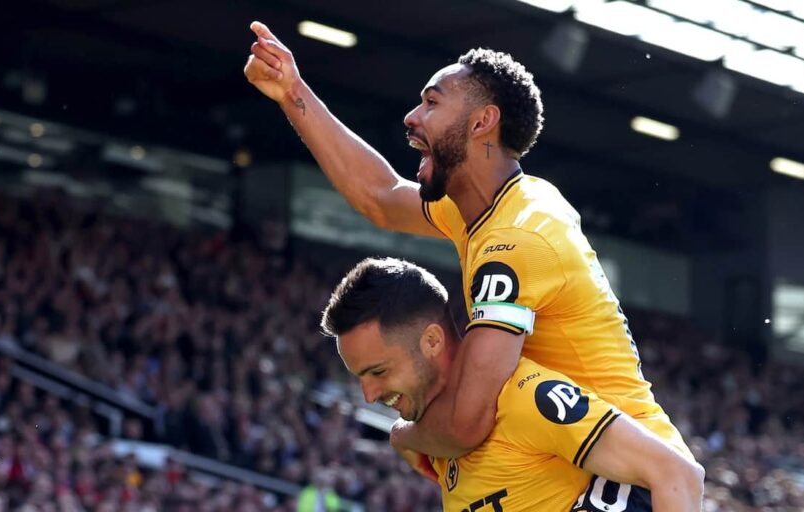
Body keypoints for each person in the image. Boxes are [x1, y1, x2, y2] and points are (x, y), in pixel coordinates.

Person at [244, 18, 694, 488]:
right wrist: (291, 93)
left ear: (482, 122)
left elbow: (466, 423)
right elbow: (379, 196)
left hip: (632, 482)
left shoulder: (518, 237)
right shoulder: (480, 209)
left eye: (432, 102)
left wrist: (405, 436)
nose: (411, 117)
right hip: (582, 465)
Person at [321, 258, 703, 511]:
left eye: (379, 372)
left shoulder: (525, 397)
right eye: (360, 377)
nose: (368, 395)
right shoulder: (427, 438)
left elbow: (678, 475)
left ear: (432, 341)